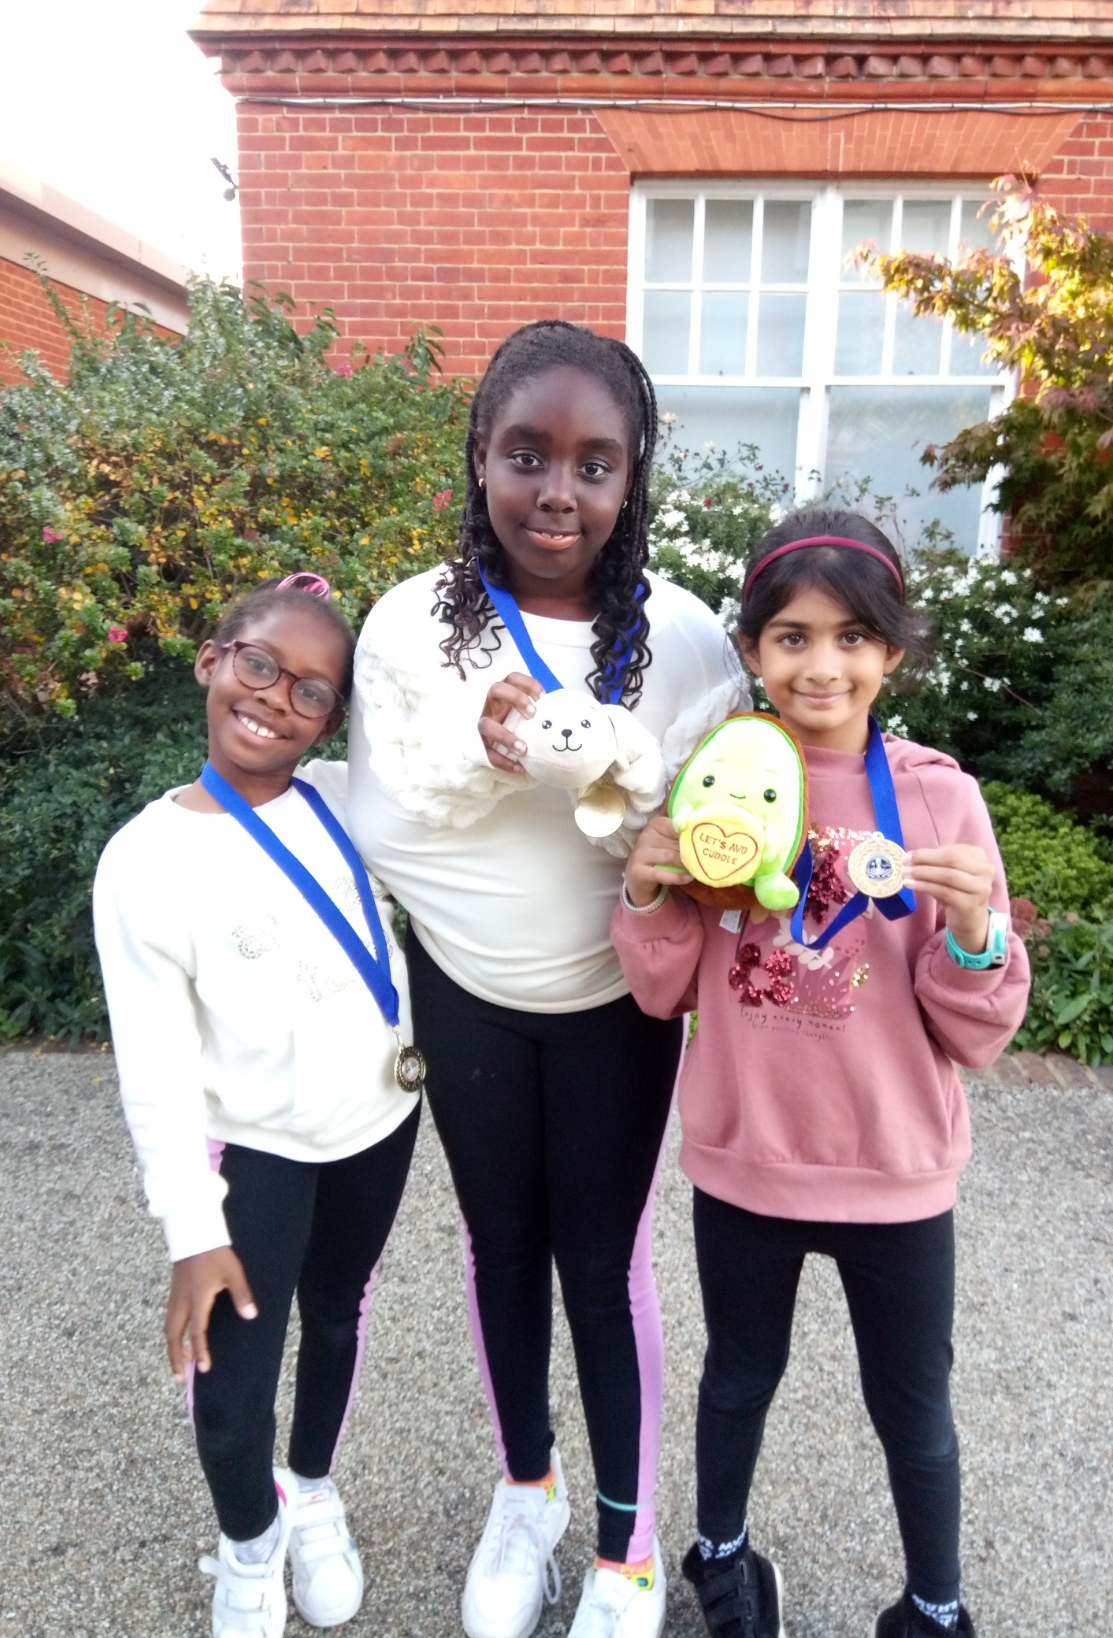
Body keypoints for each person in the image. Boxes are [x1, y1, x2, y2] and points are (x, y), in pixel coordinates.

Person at [348, 321, 747, 1638]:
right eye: (527, 454)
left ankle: (627, 1544)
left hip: (615, 1006)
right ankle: (527, 1488)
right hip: (465, 992)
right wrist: (503, 751)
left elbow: (723, 824)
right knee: (500, 1245)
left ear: (632, 480)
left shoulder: (684, 640)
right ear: (479, 458)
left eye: (594, 462)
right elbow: (390, 817)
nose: (557, 492)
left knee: (602, 1256)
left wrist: (636, 798)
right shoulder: (412, 626)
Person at [612, 509, 1032, 1638]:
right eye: (791, 637)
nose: (820, 664)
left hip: (894, 1170)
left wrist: (976, 934)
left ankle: (934, 1605)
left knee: (913, 1409)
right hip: (747, 1162)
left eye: (851, 637)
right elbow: (663, 989)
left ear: (890, 652)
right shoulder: (713, 788)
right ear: (751, 650)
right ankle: (720, 1555)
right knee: (737, 1377)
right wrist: (649, 893)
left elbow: (974, 1028)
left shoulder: (939, 797)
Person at [93, 574, 422, 1638]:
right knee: (232, 1385)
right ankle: (249, 1543)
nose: (278, 699)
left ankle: (312, 1490)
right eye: (259, 665)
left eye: (313, 692)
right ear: (211, 659)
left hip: (378, 1123)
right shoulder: (143, 862)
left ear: (335, 719)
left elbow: (444, 781)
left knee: (336, 1316)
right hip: (260, 1155)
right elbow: (153, 1065)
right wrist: (191, 1227)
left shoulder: (340, 797)